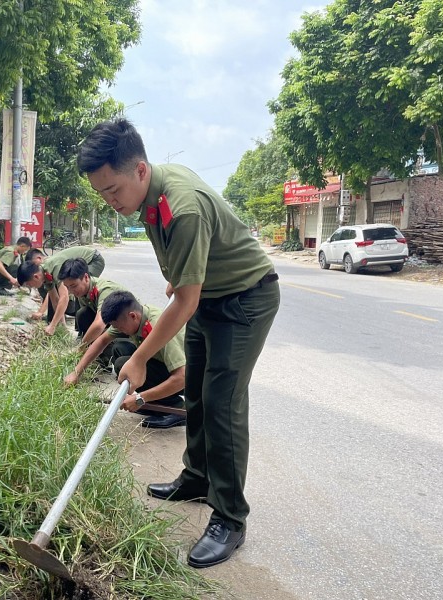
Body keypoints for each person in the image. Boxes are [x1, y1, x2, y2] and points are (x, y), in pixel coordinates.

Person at [77, 118, 280, 568]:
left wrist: (140, 360)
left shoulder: (180, 205)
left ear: (141, 171)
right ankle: (197, 476)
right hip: (210, 295)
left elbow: (184, 302)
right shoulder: (147, 201)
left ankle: (230, 515)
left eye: (113, 190)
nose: (110, 202)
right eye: (101, 194)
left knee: (223, 402)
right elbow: (181, 275)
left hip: (245, 301)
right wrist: (181, 280)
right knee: (200, 395)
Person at [64, 291, 186, 429]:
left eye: (118, 327)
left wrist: (140, 398)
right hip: (166, 365)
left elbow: (182, 377)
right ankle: (157, 403)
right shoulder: (133, 318)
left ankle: (177, 408)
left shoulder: (158, 327)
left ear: (132, 316)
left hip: (192, 378)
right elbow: (102, 341)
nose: (117, 330)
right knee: (120, 348)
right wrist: (76, 372)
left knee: (123, 364)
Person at [17, 246, 105, 335]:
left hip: (94, 260)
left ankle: (84, 332)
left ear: (36, 276)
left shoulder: (55, 267)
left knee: (80, 289)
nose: (31, 287)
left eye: (28, 284)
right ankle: (79, 330)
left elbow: (64, 297)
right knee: (75, 290)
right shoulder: (45, 275)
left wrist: (52, 326)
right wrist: (62, 326)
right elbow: (55, 300)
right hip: (84, 262)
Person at [57, 258, 127, 343]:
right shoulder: (82, 291)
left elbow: (99, 324)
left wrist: (81, 347)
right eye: (67, 287)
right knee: (82, 313)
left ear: (86, 277)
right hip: (110, 323)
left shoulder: (105, 290)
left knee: (114, 347)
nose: (70, 291)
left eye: (73, 286)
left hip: (125, 329)